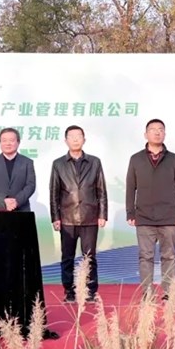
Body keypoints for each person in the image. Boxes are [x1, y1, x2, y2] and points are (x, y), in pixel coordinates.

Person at [125, 119, 175, 299]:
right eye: (153, 129)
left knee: (169, 256)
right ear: (146, 134)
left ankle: (168, 292)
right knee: (145, 257)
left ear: (165, 134)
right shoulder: (136, 159)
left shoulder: (173, 159)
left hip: (169, 216)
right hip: (144, 216)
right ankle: (147, 292)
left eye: (160, 129)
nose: (157, 132)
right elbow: (130, 187)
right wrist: (130, 212)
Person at [49, 126, 108, 303]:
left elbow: (101, 189)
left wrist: (102, 214)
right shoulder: (58, 164)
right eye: (71, 136)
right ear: (65, 140)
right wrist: (55, 217)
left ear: (84, 139)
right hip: (67, 217)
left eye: (79, 136)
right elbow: (54, 192)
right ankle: (69, 291)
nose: (75, 139)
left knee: (89, 257)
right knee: (67, 257)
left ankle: (90, 291)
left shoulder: (94, 162)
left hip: (90, 216)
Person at [0, 127, 36, 212]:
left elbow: (31, 185)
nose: (8, 144)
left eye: (11, 140)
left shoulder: (27, 162)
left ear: (18, 142)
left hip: (21, 209)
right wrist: (3, 200)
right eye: (4, 140)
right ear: (0, 143)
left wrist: (17, 201)